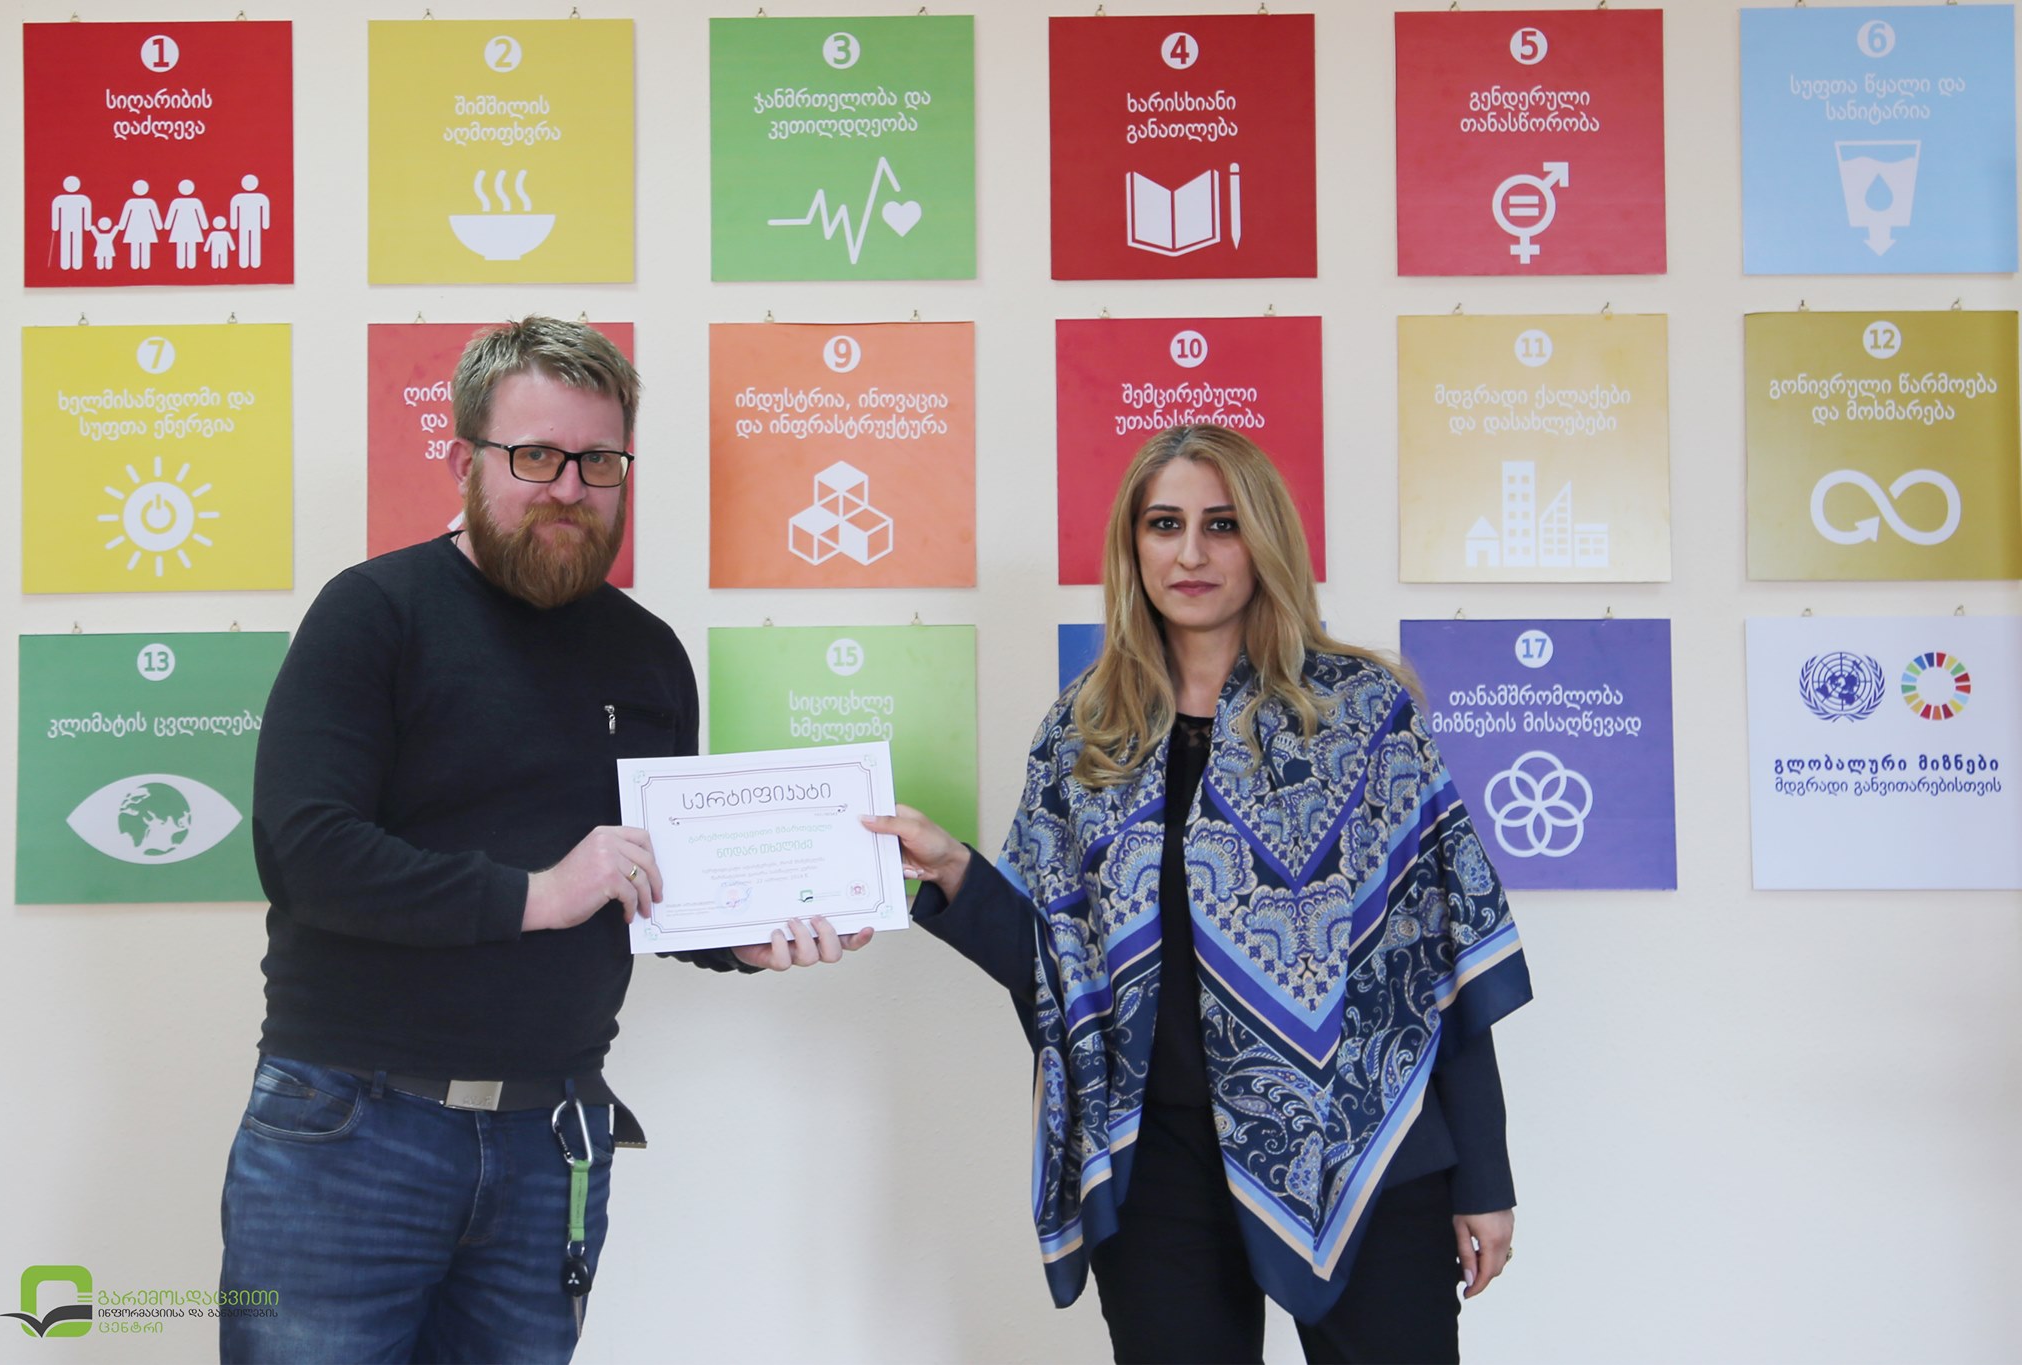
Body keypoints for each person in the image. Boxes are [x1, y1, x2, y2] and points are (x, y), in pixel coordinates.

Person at [218, 316, 870, 1364]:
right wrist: (536, 893)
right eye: (535, 456)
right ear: (462, 461)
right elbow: (307, 855)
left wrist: (739, 936)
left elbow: (649, 877)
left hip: (552, 1143)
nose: (569, 487)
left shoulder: (648, 654)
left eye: (598, 461)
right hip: (350, 1131)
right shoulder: (373, 614)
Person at [870, 425, 1532, 1365]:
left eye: (1221, 524)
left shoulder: (1362, 715)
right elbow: (1056, 966)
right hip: (1161, 1167)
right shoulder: (1086, 732)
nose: (1190, 553)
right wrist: (954, 872)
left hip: (1363, 1148)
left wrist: (1485, 1176)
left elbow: (1438, 961)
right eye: (1164, 524)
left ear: (1264, 540)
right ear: (1132, 545)